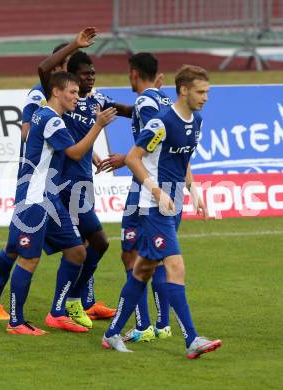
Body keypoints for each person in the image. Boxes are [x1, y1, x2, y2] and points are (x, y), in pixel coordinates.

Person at [102, 65, 222, 359]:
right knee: (175, 266)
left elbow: (184, 159)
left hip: (174, 204)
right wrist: (157, 191)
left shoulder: (197, 121)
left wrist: (194, 191)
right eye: (201, 91)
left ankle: (111, 333)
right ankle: (192, 339)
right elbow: (133, 158)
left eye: (207, 92)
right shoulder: (161, 123)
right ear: (184, 90)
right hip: (153, 207)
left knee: (142, 270)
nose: (205, 97)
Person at [0, 31, 96, 321]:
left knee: (72, 247)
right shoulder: (41, 95)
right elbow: (28, 130)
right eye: (65, 65)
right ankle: (2, 307)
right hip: (37, 185)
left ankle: (64, 307)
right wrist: (54, 138)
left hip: (54, 187)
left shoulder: (69, 101)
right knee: (21, 251)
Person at [6, 71, 116, 335]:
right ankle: (16, 321)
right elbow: (76, 153)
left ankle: (56, 313)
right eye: (72, 93)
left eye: (78, 93)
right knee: (28, 259)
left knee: (77, 251)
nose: (77, 98)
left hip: (49, 198)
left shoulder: (51, 118)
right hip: (34, 199)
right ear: (56, 92)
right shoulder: (50, 120)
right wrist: (98, 125)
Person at [38, 30, 132, 328]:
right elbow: (43, 70)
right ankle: (63, 308)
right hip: (62, 184)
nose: (90, 77)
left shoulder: (97, 100)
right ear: (70, 77)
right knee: (81, 246)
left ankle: (76, 302)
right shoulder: (64, 100)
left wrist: (159, 106)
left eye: (93, 72)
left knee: (99, 244)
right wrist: (74, 45)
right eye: (84, 73)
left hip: (83, 185)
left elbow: (128, 111)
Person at [98, 53, 174, 343]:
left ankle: (142, 326)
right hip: (169, 182)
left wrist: (128, 158)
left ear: (133, 74)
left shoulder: (146, 102)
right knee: (161, 253)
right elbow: (148, 117)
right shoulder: (163, 100)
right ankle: (163, 324)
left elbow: (153, 136)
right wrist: (115, 107)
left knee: (132, 253)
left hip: (145, 185)